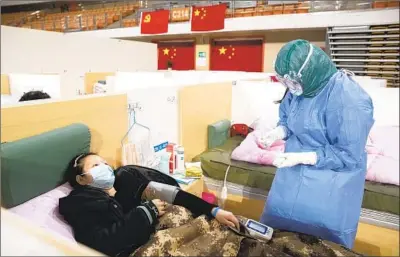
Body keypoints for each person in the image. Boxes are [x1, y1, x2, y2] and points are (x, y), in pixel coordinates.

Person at [257, 39, 374, 248]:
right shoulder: (299, 90)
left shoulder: (350, 99)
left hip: (330, 184)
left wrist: (304, 157)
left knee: (323, 246)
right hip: (291, 178)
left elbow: (348, 154)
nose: (289, 88)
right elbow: (291, 119)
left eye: (292, 83)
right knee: (278, 237)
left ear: (310, 73)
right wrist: (278, 132)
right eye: (284, 83)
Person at [58, 153, 239, 257]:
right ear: (81, 179)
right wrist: (145, 212)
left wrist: (214, 210)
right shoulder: (82, 203)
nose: (105, 167)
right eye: (96, 165)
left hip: (175, 228)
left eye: (105, 163)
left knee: (227, 227)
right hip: (144, 248)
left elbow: (174, 195)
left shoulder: (126, 183)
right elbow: (102, 243)